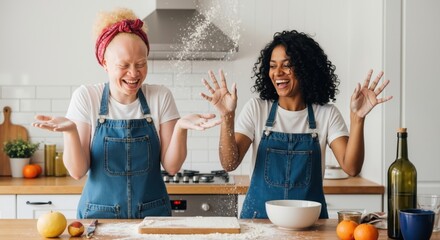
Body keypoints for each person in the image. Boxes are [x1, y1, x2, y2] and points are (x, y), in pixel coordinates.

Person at [32, 8, 221, 219]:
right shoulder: (86, 97)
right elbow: (77, 172)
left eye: (141, 64)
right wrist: (70, 132)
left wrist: (180, 128)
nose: (134, 74)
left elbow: (172, 166)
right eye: (124, 65)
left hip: (152, 218)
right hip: (99, 217)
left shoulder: (160, 96)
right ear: (104, 63)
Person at [201, 30, 392, 219]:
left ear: (305, 68)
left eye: (287, 65)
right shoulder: (257, 109)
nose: (278, 73)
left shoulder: (326, 114)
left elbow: (351, 168)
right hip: (259, 222)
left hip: (311, 225)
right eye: (272, 66)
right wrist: (227, 116)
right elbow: (229, 163)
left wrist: (357, 118)